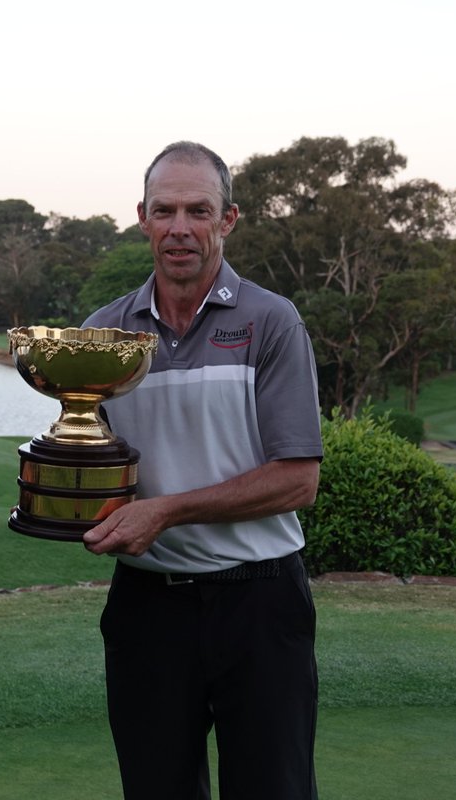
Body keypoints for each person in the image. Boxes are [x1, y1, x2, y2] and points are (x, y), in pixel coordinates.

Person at [81, 142, 324, 800]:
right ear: (142, 218)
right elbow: (93, 464)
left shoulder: (270, 321)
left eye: (198, 210)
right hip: (147, 608)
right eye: (164, 211)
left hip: (260, 603)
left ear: (228, 219)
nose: (180, 228)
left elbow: (298, 478)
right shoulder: (104, 334)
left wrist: (166, 511)